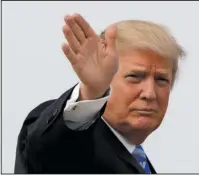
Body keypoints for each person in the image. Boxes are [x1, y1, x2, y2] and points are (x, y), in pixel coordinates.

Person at [14, 13, 185, 174]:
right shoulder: (74, 143)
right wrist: (91, 92)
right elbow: (45, 146)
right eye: (134, 76)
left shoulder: (138, 160)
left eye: (161, 80)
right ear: (105, 77)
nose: (150, 93)